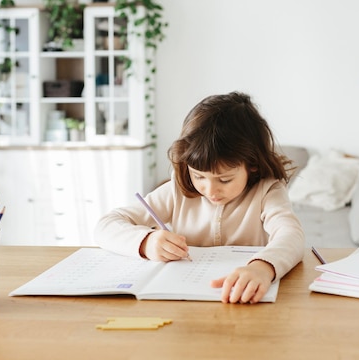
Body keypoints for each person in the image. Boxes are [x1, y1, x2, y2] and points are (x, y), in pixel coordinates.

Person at [95, 91, 305, 304]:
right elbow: (106, 226)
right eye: (198, 176)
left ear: (252, 165)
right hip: (181, 302)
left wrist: (263, 267)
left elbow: (292, 236)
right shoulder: (176, 191)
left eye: (224, 180)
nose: (210, 190)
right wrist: (146, 242)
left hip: (243, 302)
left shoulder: (267, 192)